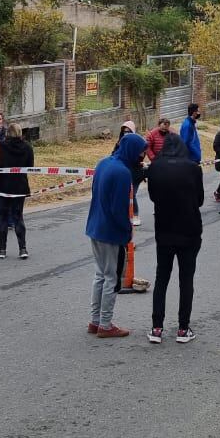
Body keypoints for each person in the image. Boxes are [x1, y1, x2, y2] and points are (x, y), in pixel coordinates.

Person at [85, 131, 147, 338]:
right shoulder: (122, 173)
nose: (143, 157)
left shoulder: (103, 163)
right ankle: (105, 324)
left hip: (95, 226)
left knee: (100, 275)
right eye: (141, 153)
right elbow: (119, 208)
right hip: (111, 232)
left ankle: (95, 321)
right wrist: (127, 232)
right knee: (112, 278)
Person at [146, 132, 204, 344]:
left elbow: (152, 196)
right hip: (189, 230)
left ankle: (156, 327)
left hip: (164, 230)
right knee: (186, 279)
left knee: (162, 277)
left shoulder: (155, 168)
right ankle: (183, 328)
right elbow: (199, 200)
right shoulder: (193, 168)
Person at [0, 123, 33, 260]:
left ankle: (2, 249)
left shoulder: (0, 145)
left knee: (3, 216)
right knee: (18, 216)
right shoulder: (27, 147)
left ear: (7, 133)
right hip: (20, 186)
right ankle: (23, 248)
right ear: (20, 133)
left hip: (2, 186)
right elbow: (30, 167)